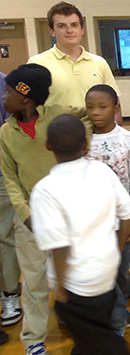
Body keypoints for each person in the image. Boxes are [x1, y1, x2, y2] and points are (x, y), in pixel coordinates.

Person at [30, 114, 130, 355]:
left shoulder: (45, 190)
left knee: (101, 343)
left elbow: (59, 246)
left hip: (77, 285)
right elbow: (128, 214)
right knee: (88, 342)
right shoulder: (101, 171)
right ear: (86, 145)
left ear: (48, 145)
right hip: (106, 273)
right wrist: (118, 250)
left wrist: (62, 290)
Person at [0, 64, 86, 355]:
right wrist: (25, 215)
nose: (4, 96)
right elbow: (10, 180)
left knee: (72, 276)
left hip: (66, 216)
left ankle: (79, 327)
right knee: (34, 283)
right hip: (30, 223)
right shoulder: (6, 133)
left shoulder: (57, 116)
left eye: (9, 91)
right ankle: (34, 339)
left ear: (26, 97)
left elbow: (86, 116)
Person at [84, 85, 130, 334]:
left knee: (120, 267)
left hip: (120, 219)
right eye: (90, 107)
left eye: (102, 106)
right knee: (103, 269)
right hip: (92, 220)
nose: (96, 112)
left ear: (116, 109)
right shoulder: (83, 139)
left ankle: (123, 295)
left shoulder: (129, 140)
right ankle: (116, 314)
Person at [28, 2, 121, 121]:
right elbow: (29, 107)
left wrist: (115, 134)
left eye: (74, 25)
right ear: (52, 31)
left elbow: (114, 101)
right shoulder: (37, 63)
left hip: (95, 135)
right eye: (62, 26)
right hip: (55, 136)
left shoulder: (99, 63)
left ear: (82, 30)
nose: (69, 30)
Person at [0, 71, 23, 329]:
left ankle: (9, 293)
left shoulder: (4, 83)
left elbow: (11, 128)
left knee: (4, 235)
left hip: (1, 174)